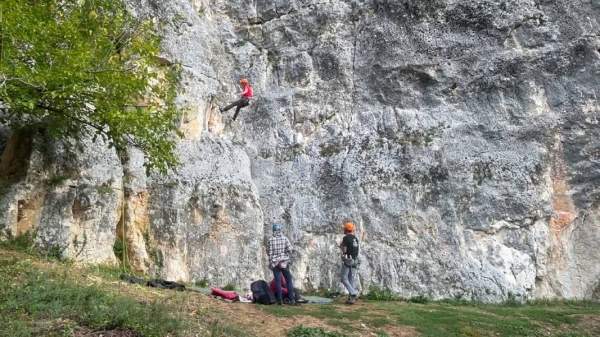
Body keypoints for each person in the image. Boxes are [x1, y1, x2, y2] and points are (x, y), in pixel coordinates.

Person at [267, 223, 297, 305]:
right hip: (284, 262)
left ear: (273, 230)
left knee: (277, 281)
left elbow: (269, 253)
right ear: (280, 230)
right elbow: (290, 249)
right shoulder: (285, 239)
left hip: (275, 263)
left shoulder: (270, 240)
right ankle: (292, 299)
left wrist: (274, 259)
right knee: (288, 280)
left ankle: (279, 300)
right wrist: (284, 255)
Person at [339, 220, 360, 304]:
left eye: (344, 229)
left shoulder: (346, 238)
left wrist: (341, 247)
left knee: (343, 278)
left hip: (349, 260)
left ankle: (353, 293)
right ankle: (351, 299)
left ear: (346, 230)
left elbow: (344, 249)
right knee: (351, 279)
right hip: (355, 260)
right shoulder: (355, 238)